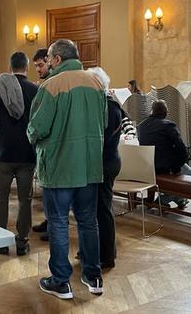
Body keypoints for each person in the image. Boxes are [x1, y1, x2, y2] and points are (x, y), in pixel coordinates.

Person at [28, 39, 106, 299]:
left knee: (59, 224)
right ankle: (92, 276)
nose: (47, 63)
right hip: (89, 166)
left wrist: (31, 135)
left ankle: (61, 281)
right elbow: (103, 123)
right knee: (88, 222)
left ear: (57, 59)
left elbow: (38, 127)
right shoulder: (96, 84)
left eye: (48, 59)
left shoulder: (51, 85)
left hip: (59, 167)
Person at [0, 52, 38, 256]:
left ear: (10, 67)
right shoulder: (35, 89)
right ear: (27, 67)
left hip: (4, 151)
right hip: (27, 153)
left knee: (0, 198)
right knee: (25, 199)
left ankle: (0, 241)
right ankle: (22, 241)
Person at [88, 67, 123, 269]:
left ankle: (107, 256)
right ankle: (95, 250)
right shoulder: (104, 104)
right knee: (96, 209)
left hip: (106, 163)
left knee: (103, 209)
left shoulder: (109, 107)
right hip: (103, 161)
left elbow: (101, 139)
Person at [137, 100, 190, 208]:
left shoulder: (141, 126)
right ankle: (163, 200)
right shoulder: (169, 125)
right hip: (165, 167)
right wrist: (179, 164)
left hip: (148, 168)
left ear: (152, 111)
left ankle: (180, 199)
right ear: (166, 112)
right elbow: (181, 148)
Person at [31, 48, 51, 239]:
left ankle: (54, 225)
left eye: (41, 65)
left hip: (52, 148)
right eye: (36, 66)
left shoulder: (52, 85)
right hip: (44, 150)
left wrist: (32, 134)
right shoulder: (43, 84)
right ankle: (49, 221)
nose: (38, 69)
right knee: (47, 191)